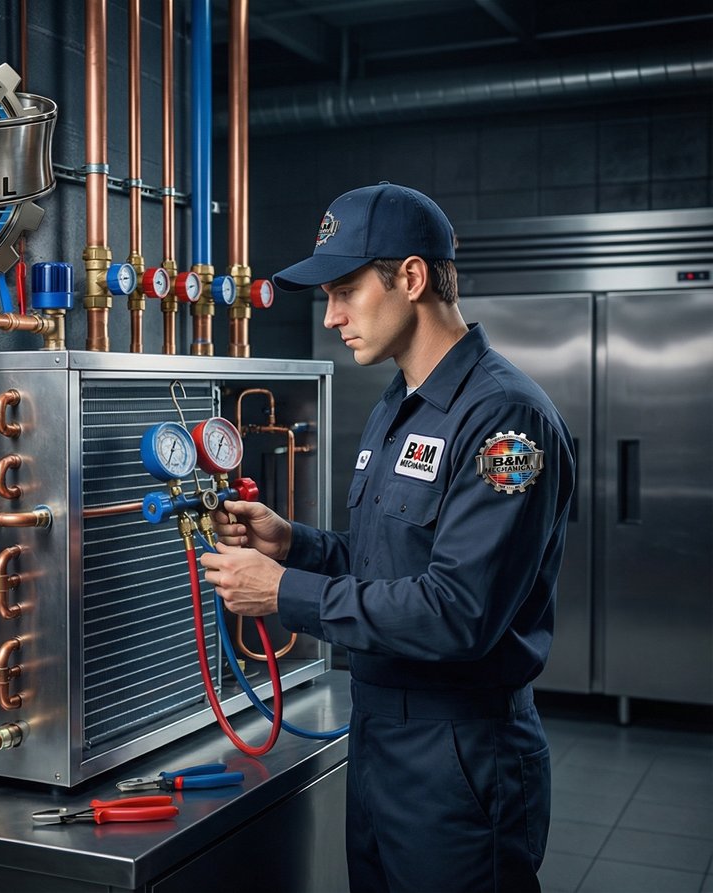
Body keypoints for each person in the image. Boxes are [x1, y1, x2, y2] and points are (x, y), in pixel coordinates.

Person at [199, 182, 575, 892]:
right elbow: (393, 563)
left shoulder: (504, 418)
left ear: (411, 276)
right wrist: (293, 545)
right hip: (378, 738)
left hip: (460, 755)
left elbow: (457, 612)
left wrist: (283, 592)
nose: (332, 316)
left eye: (345, 291)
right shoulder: (399, 404)